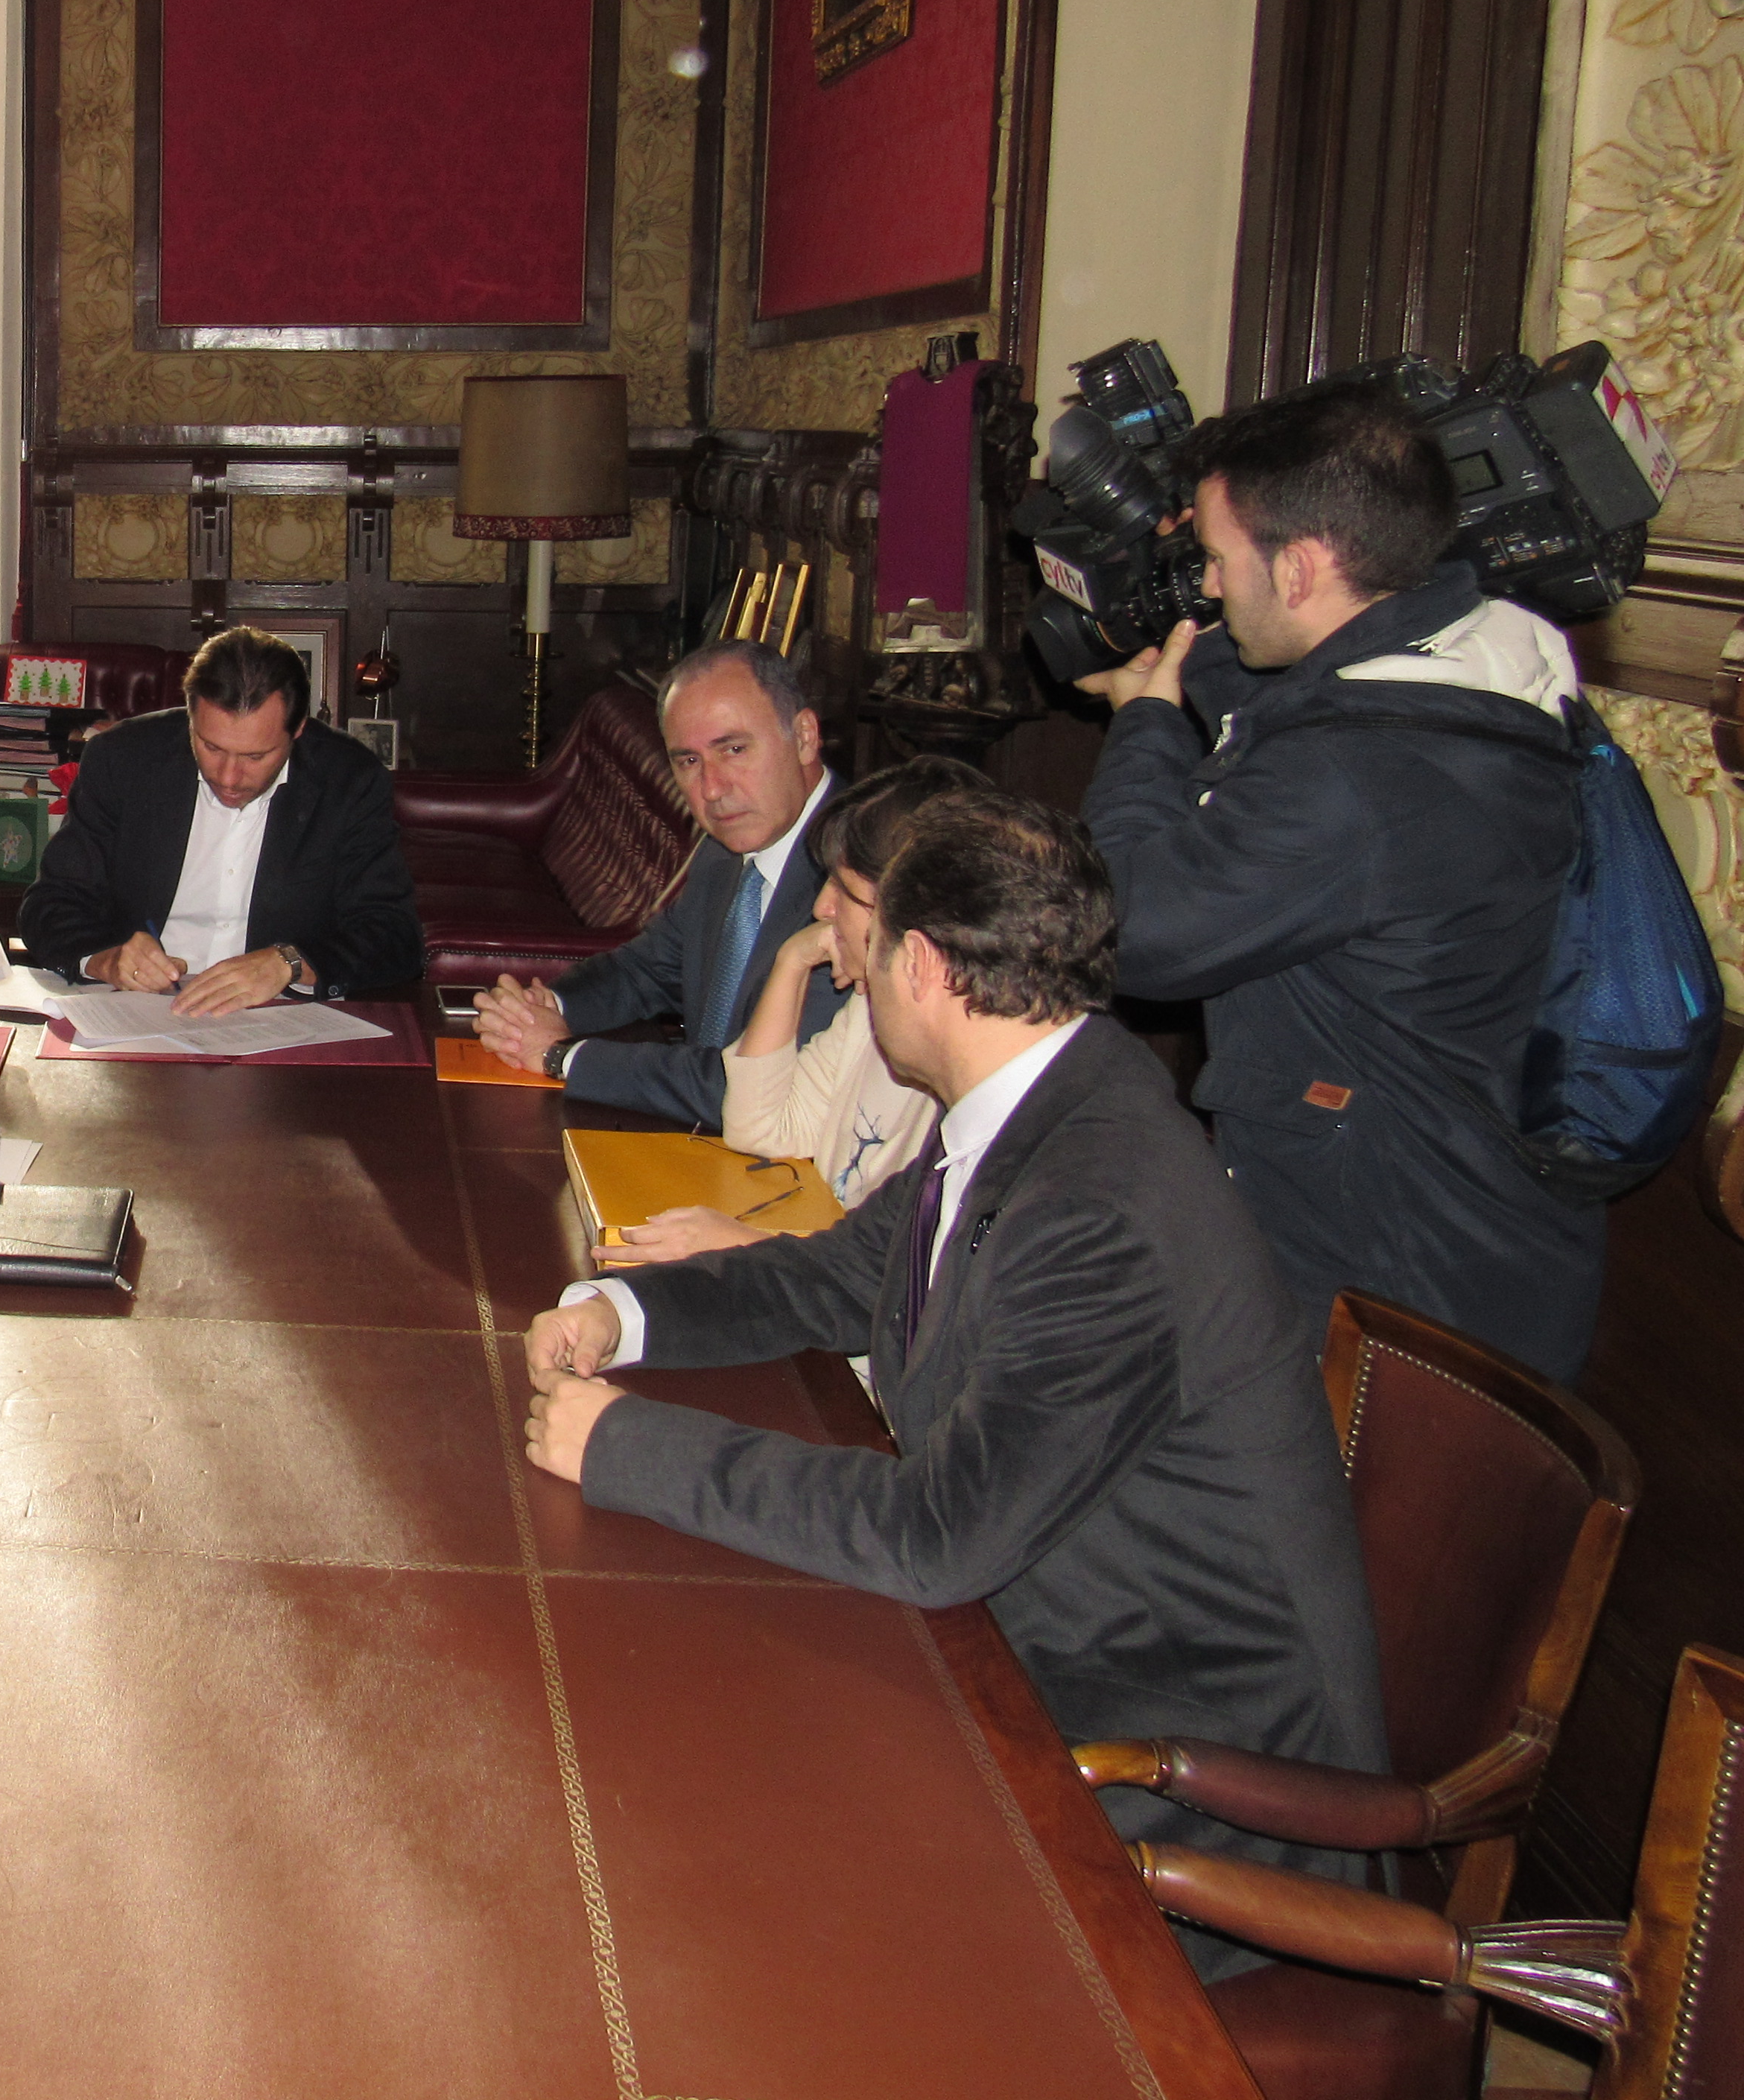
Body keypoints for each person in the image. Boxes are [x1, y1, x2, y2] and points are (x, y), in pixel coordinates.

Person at [521, 791, 1386, 1974]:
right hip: (1047, 1655)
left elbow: (939, 1537)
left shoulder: (1102, 1204)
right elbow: (836, 1277)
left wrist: (626, 1447)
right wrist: (620, 1315)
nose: (854, 970)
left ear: (924, 966)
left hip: (1183, 1789)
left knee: (709, 1859)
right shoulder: (1040, 1105)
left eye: (869, 945)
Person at [1076, 377, 1598, 1380]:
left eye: (1219, 560)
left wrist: (1143, 726)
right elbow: (1300, 702)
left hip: (1395, 1300)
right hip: (1475, 1237)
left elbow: (1130, 928)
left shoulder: (1357, 780)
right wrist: (1186, 663)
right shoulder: (1477, 665)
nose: (1209, 587)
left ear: (1302, 567)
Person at [609, 754, 974, 1260]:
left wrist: (747, 1245)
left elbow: (908, 1272)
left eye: (843, 889)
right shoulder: (867, 1011)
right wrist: (792, 961)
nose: (822, 907)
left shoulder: (958, 1061)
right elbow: (761, 1127)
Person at [474, 638, 843, 1123]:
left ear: (805, 737)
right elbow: (647, 969)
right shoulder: (725, 849)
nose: (712, 789)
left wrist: (562, 1056)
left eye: (734, 749)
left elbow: (761, 1088)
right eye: (688, 761)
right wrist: (544, 1008)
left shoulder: (857, 879)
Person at [16, 624, 425, 1010]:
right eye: (211, 747)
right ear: (190, 717)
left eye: (255, 757)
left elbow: (394, 935)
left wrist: (290, 963)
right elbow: (51, 905)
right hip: (136, 1011)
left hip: (280, 1018)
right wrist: (107, 959)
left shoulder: (349, 780)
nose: (229, 777)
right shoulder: (122, 760)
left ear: (298, 729)